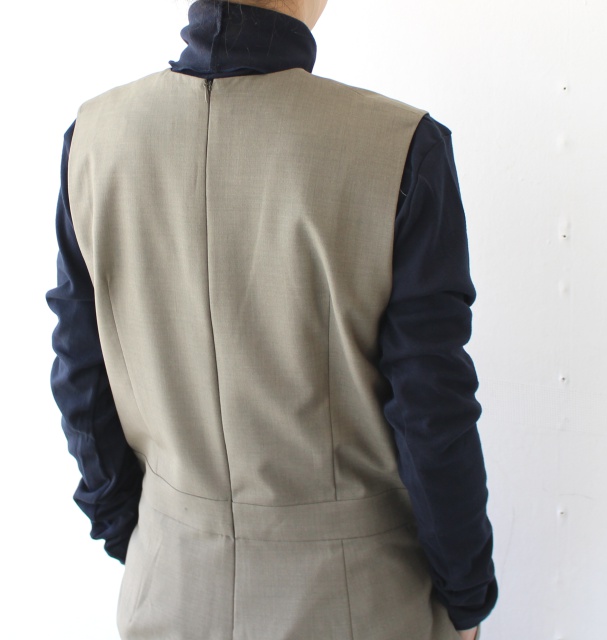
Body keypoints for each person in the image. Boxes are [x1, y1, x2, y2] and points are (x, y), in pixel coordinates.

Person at [45, 1, 498, 638]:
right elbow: (431, 412)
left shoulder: (93, 138)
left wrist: (147, 533)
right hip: (357, 602)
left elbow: (81, 382)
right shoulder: (401, 146)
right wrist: (467, 595)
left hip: (167, 589)